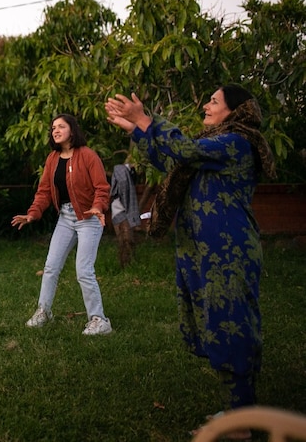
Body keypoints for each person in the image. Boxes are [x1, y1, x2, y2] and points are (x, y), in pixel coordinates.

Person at [105, 85, 275, 438]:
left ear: (235, 111)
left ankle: (242, 422)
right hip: (202, 250)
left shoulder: (238, 142)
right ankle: (238, 410)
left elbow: (183, 148)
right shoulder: (212, 146)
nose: (206, 105)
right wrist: (138, 130)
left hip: (228, 253)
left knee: (232, 328)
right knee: (216, 325)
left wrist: (146, 120)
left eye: (214, 101)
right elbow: (170, 159)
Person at [11, 114, 112, 336]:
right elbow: (44, 191)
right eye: (53, 127)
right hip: (66, 218)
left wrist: (98, 206)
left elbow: (102, 188)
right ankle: (43, 312)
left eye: (61, 126)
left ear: (72, 131)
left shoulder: (88, 156)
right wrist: (32, 214)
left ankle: (99, 320)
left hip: (89, 219)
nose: (55, 130)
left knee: (84, 271)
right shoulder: (52, 159)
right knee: (50, 267)